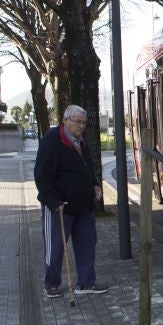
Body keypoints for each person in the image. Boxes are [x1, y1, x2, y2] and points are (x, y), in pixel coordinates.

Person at [34, 105, 108, 298]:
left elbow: (87, 167)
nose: (81, 126)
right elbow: (41, 175)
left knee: (87, 244)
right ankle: (52, 284)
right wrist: (52, 200)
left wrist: (94, 184)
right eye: (77, 121)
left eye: (84, 122)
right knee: (56, 247)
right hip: (59, 206)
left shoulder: (81, 141)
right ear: (65, 120)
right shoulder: (52, 140)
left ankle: (86, 282)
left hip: (83, 204)